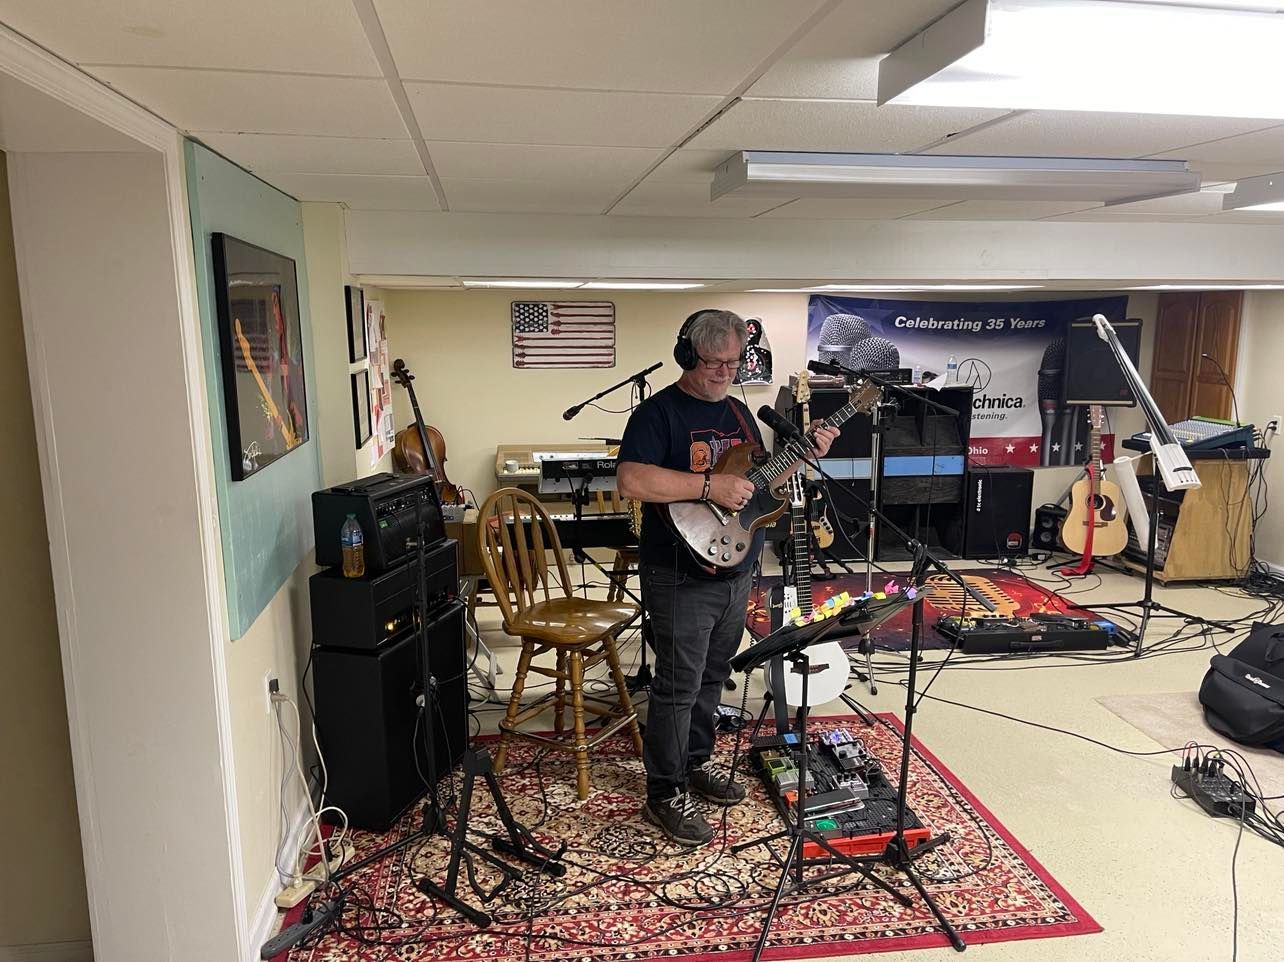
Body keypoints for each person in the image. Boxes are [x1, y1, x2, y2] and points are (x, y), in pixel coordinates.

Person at [616, 309, 839, 847]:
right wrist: (706, 485)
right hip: (678, 572)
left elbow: (758, 485)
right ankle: (664, 791)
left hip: (737, 566)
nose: (723, 372)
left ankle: (695, 762)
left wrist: (804, 456)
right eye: (713, 362)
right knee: (678, 684)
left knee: (713, 675)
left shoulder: (739, 411)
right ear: (687, 356)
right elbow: (631, 479)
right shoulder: (657, 413)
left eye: (733, 363)